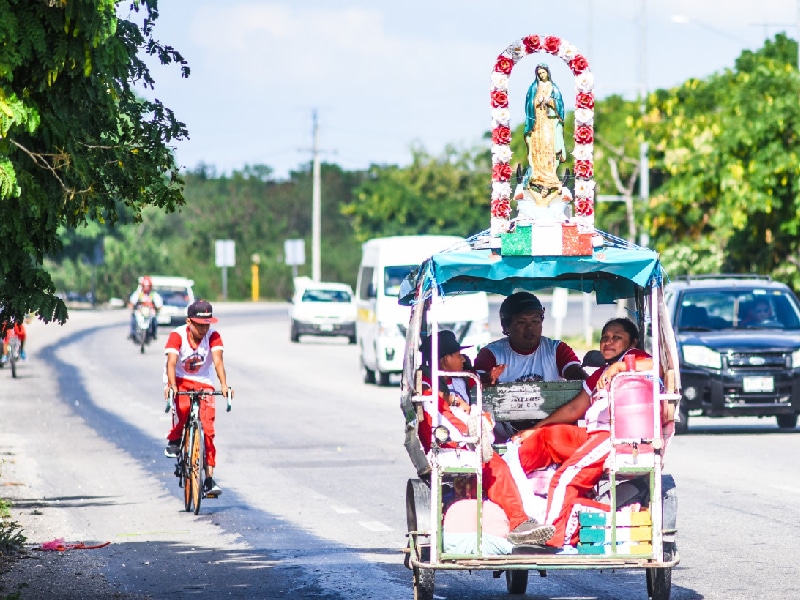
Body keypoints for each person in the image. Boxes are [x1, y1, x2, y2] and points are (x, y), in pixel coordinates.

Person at [513, 318, 655, 549]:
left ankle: (552, 538)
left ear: (632, 342)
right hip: (590, 435)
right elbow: (573, 409)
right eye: (605, 337)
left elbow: (656, 366)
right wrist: (534, 430)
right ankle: (511, 481)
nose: (608, 342)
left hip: (613, 437)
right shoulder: (600, 373)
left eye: (616, 338)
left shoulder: (634, 358)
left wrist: (621, 367)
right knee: (546, 437)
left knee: (565, 479)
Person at [416, 330, 555, 546]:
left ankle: (529, 516)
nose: (463, 359)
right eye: (458, 355)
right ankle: (518, 522)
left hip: (472, 439)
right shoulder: (428, 384)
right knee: (496, 466)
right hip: (449, 446)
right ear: (445, 359)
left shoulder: (464, 379)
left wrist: (487, 384)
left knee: (509, 455)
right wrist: (472, 432)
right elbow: (442, 416)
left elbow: (477, 398)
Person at [163, 300, 231, 498]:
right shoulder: (177, 335)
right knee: (183, 408)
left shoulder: (213, 336)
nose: (204, 329)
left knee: (208, 430)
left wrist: (224, 385)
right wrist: (172, 385)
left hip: (204, 382)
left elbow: (218, 361)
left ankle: (208, 479)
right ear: (189, 322)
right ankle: (175, 439)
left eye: (207, 324)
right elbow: (171, 363)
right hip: (180, 379)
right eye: (199, 324)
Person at [474, 292, 586, 385]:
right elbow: (475, 388)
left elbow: (581, 379)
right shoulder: (490, 354)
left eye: (535, 321)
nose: (530, 328)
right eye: (521, 322)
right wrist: (487, 379)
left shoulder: (557, 350)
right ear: (506, 326)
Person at [523, 63, 566, 205]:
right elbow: (529, 104)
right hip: (537, 123)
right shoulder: (534, 88)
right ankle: (537, 175)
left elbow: (560, 105)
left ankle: (550, 175)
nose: (542, 75)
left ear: (548, 72)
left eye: (543, 72)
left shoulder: (554, 88)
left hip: (549, 123)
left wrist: (549, 101)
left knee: (549, 148)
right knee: (537, 148)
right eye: (539, 73)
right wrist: (537, 100)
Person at [129, 276, 163, 342]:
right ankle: (132, 333)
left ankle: (154, 333)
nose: (146, 288)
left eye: (148, 286)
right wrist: (132, 305)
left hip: (150, 311)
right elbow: (132, 301)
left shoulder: (153, 294)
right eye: (145, 286)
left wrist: (158, 307)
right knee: (133, 317)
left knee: (154, 319)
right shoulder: (138, 294)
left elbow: (159, 303)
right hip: (140, 311)